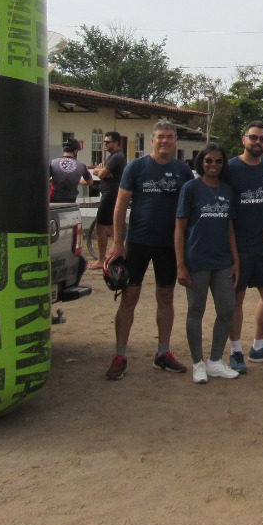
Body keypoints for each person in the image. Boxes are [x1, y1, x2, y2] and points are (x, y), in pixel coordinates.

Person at [104, 120, 195, 381]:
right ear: (152, 140)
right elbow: (120, 206)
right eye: (160, 136)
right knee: (129, 296)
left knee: (165, 296)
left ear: (175, 141)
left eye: (169, 137)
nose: (165, 141)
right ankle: (120, 355)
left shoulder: (183, 170)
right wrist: (118, 242)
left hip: (169, 244)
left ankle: (163, 353)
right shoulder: (136, 167)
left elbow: (191, 207)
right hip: (138, 241)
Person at [176, 143, 241, 383]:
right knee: (196, 310)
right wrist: (180, 264)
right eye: (208, 161)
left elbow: (230, 228)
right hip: (197, 260)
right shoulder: (190, 188)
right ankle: (198, 363)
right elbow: (180, 228)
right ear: (201, 162)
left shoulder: (227, 190)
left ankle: (215, 361)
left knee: (227, 308)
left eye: (218, 161)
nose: (213, 165)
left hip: (222, 260)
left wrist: (236, 260)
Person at [224, 122, 263, 370]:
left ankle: (258, 347)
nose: (257, 142)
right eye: (253, 137)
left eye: (262, 139)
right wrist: (231, 250)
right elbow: (224, 212)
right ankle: (235, 351)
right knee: (236, 300)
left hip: (261, 246)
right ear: (244, 139)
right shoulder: (230, 169)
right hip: (237, 248)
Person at [88, 131, 126, 268]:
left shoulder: (117, 157)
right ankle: (120, 252)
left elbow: (102, 173)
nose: (105, 144)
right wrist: (103, 172)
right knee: (110, 226)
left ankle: (101, 259)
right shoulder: (114, 156)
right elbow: (104, 173)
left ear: (116, 143)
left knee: (101, 226)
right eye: (104, 142)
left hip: (110, 194)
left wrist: (99, 171)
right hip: (109, 193)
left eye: (107, 142)